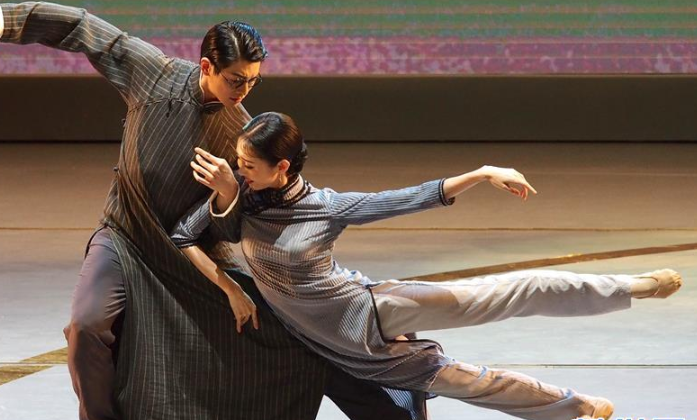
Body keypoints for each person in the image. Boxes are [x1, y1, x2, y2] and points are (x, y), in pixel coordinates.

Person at [0, 3, 433, 420]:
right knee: (86, 326)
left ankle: (390, 406)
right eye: (236, 79)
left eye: (253, 80)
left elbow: (243, 224)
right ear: (207, 65)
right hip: (125, 238)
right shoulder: (154, 74)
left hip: (194, 255)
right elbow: (87, 30)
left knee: (295, 328)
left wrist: (227, 195)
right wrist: (6, 18)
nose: (244, 90)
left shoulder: (242, 133)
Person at [172, 111, 684, 420]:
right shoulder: (237, 194)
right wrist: (232, 288)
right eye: (238, 162)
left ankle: (629, 286)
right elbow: (184, 235)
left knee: (500, 293)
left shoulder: (326, 207)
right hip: (355, 352)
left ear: (281, 167)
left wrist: (482, 172)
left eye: (248, 165)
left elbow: (405, 198)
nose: (238, 170)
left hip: (370, 306)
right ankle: (583, 408)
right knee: (473, 383)